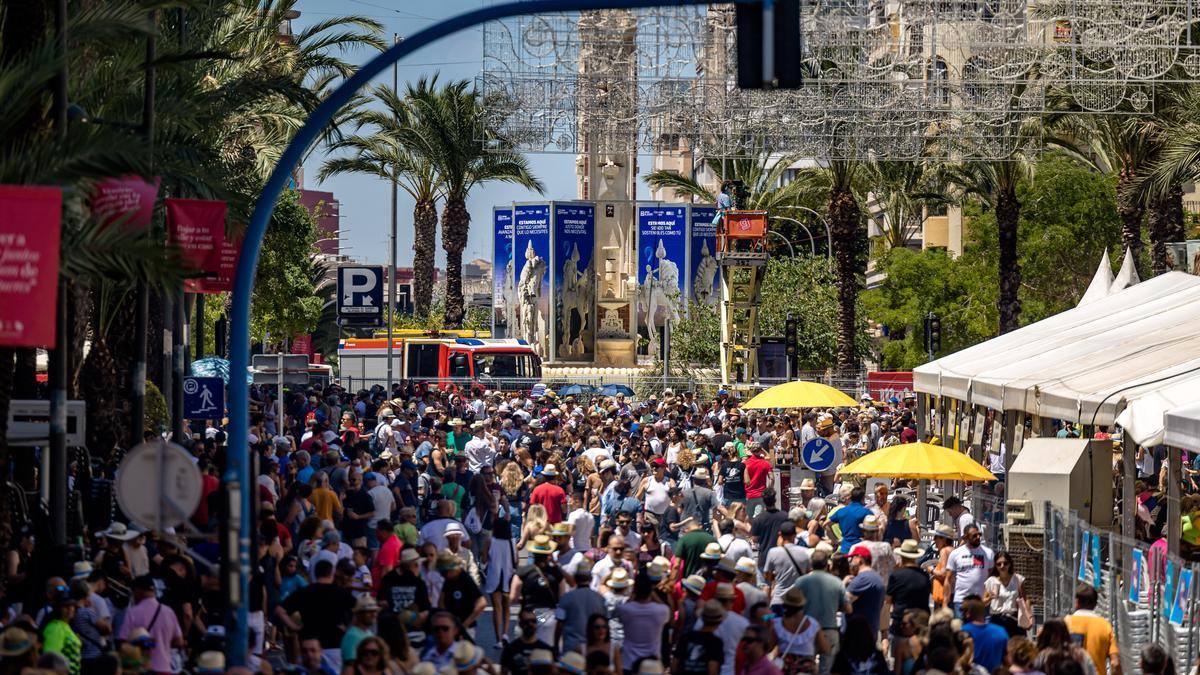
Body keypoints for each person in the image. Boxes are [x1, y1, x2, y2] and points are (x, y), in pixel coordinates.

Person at [276, 559, 357, 672]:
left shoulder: (304, 592)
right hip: (334, 645)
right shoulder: (341, 592)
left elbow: (279, 610)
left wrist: (294, 627)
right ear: (331, 573)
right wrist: (349, 630)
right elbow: (358, 610)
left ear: (315, 573)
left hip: (307, 645)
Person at [794, 549, 847, 675]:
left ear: (811, 564)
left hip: (807, 630)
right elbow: (847, 608)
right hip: (830, 630)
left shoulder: (801, 582)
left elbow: (794, 605)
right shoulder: (837, 582)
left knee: (806, 667)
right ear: (827, 565)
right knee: (827, 669)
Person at [118, 575, 184, 675]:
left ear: (137, 591)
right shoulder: (169, 611)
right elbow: (179, 642)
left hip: (141, 669)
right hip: (165, 669)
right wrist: (161, 644)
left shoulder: (133, 612)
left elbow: (124, 642)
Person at [510, 535, 564, 645]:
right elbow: (562, 597)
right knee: (546, 654)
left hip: (528, 617)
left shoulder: (523, 572)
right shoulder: (557, 573)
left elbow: (513, 597)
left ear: (533, 553)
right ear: (549, 553)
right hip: (549, 619)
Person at [886, 540, 932, 654]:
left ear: (902, 556)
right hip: (920, 622)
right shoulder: (924, 575)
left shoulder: (896, 576)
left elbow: (888, 600)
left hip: (900, 621)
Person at [771, 586, 829, 675]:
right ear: (802, 605)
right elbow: (825, 648)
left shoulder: (777, 623)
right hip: (806, 669)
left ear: (785, 605)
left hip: (785, 668)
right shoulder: (813, 624)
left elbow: (769, 646)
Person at [615, 577, 670, 671]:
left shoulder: (625, 609)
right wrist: (653, 594)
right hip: (653, 663)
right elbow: (665, 606)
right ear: (650, 592)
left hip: (629, 662)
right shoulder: (661, 611)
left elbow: (624, 606)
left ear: (635, 591)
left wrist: (632, 595)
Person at [1064, 584, 1121, 675]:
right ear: (1095, 604)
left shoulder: (1066, 623)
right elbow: (1115, 663)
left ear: (1077, 602)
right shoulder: (1105, 625)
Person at [556, 560, 607, 654]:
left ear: (575, 578)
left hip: (571, 648)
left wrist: (555, 645)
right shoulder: (600, 599)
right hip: (593, 649)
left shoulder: (566, 598)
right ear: (591, 579)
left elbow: (559, 624)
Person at [943, 524, 993, 615]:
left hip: (982, 602)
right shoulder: (955, 554)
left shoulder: (988, 553)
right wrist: (945, 603)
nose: (978, 537)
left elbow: (991, 578)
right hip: (961, 601)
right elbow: (948, 579)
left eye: (979, 535)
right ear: (965, 537)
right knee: (962, 628)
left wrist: (987, 597)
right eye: (974, 535)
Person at [763, 521, 811, 613]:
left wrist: (767, 603)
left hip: (779, 599)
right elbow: (808, 575)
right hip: (798, 600)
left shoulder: (773, 552)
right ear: (795, 534)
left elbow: (767, 579)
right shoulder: (805, 552)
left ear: (780, 534)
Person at [437, 550, 486, 638]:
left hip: (465, 628)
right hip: (450, 627)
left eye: (444, 573)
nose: (442, 576)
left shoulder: (465, 579)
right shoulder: (448, 581)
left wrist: (465, 624)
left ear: (451, 569)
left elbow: (482, 603)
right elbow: (441, 601)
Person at [672, 600, 724, 675]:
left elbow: (674, 665)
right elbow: (712, 670)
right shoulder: (715, 642)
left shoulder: (685, 637)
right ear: (719, 621)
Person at [845, 544, 886, 639]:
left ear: (859, 559)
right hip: (868, 631)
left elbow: (843, 602)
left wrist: (842, 584)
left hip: (858, 634)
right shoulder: (875, 577)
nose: (850, 562)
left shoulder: (863, 579)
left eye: (852, 558)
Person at [983, 550, 1026, 637]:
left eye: (1005, 563)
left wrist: (1029, 614)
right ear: (995, 566)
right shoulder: (991, 581)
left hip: (1014, 619)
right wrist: (990, 598)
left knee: (1014, 648)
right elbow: (983, 603)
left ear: (1010, 564)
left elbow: (1025, 599)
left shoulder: (1017, 579)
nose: (1002, 566)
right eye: (999, 564)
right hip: (996, 619)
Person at [960, 596, 1009, 671]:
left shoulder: (961, 632)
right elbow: (1007, 661)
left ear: (968, 613)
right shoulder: (1000, 631)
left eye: (962, 610)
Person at [41, 585, 81, 675]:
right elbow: (50, 661)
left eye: (72, 605)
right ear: (58, 608)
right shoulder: (55, 628)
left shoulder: (66, 625)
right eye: (65, 606)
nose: (70, 608)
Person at [340, 596, 380, 667]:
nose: (374, 614)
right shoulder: (352, 636)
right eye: (369, 611)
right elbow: (350, 664)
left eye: (375, 611)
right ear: (358, 614)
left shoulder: (369, 633)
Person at [828, 487, 871, 554]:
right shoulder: (866, 512)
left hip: (845, 548)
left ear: (851, 497)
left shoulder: (841, 511)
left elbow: (826, 524)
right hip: (860, 549)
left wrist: (835, 540)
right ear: (863, 499)